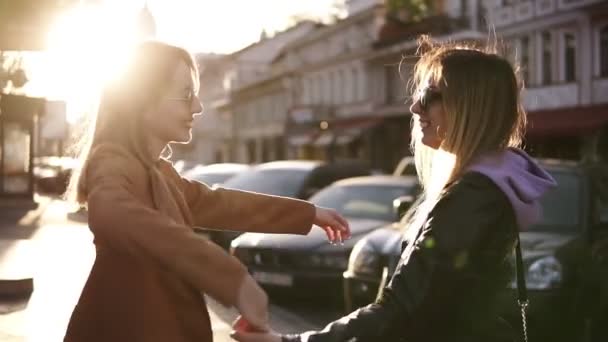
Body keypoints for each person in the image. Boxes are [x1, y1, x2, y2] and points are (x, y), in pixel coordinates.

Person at [230, 35, 557, 342]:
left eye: (428, 97)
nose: (415, 109)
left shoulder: (472, 197)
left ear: (468, 105)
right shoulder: (488, 186)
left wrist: (292, 340)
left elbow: (399, 310)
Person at [62, 41, 351, 342]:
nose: (198, 107)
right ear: (142, 101)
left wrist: (309, 213)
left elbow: (221, 203)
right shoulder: (113, 163)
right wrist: (233, 279)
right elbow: (114, 213)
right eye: (186, 95)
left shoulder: (158, 172)